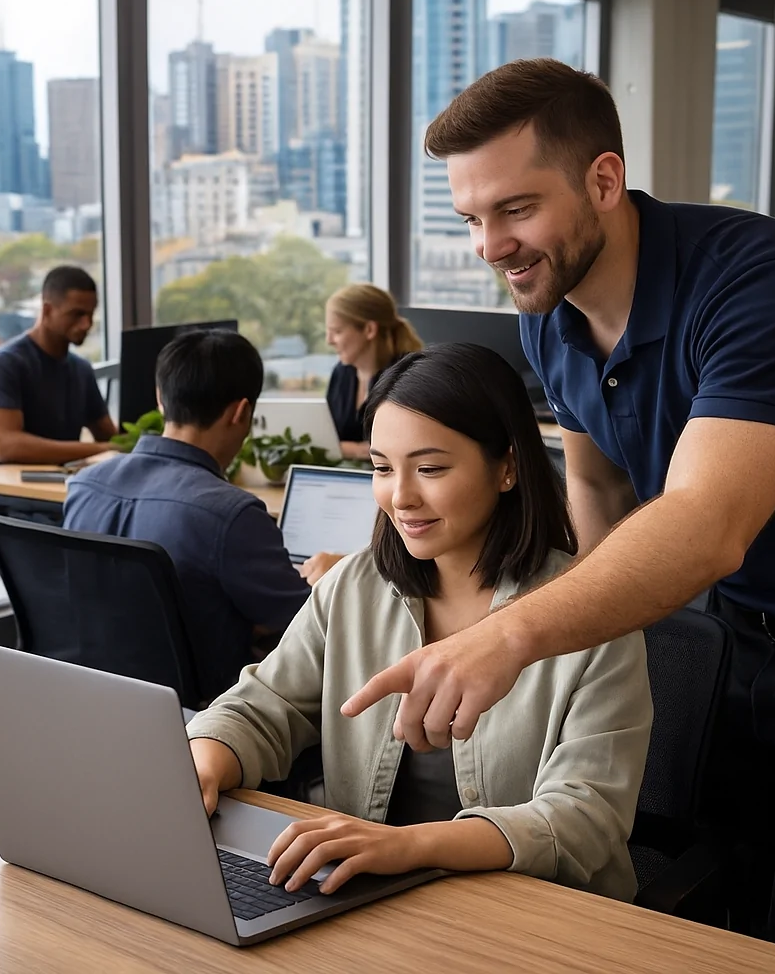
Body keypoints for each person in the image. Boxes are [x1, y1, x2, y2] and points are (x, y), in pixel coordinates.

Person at [340, 59, 775, 973]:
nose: (490, 247)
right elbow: (598, 494)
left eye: (516, 209)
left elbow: (707, 522)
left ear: (604, 179)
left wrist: (509, 635)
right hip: (731, 633)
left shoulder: (767, 283)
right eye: (471, 218)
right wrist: (571, 651)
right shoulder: (549, 312)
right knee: (719, 905)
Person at [187, 343, 651, 900]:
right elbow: (264, 708)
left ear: (507, 467)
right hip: (365, 896)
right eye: (382, 468)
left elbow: (583, 819)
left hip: (537, 912)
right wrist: (205, 759)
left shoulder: (590, 617)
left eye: (430, 469)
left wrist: (411, 846)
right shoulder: (353, 586)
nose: (401, 497)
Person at [62, 329, 313, 697]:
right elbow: (307, 622)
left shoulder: (83, 487)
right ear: (241, 413)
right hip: (205, 713)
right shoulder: (231, 514)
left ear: (160, 400)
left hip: (90, 693)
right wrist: (330, 579)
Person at [0, 265, 116, 464]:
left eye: (90, 314)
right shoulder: (4, 365)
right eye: (76, 314)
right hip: (19, 482)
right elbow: (7, 447)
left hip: (66, 480)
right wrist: (101, 449)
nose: (87, 324)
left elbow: (109, 436)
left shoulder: (81, 369)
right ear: (47, 310)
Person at [324, 283, 423, 460]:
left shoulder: (407, 377)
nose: (329, 340)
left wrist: (349, 450)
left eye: (337, 331)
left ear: (369, 330)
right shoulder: (342, 373)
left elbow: (405, 448)